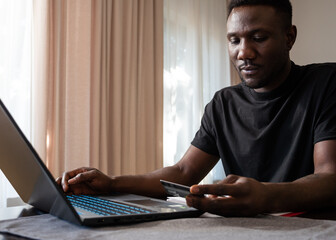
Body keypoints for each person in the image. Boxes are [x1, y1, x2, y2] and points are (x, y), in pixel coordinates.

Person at [57, 0, 336, 217]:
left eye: (259, 38)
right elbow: (183, 172)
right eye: (234, 40)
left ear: (289, 37)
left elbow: (329, 177)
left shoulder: (326, 84)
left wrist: (266, 196)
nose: (243, 52)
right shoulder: (222, 104)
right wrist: (113, 183)